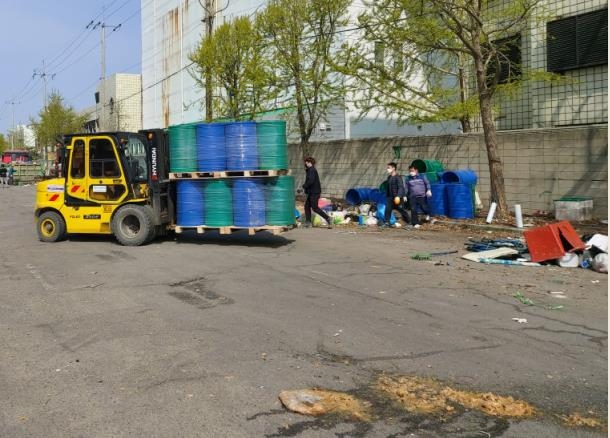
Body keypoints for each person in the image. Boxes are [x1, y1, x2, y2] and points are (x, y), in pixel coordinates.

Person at [302, 156, 333, 229]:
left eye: (306, 162)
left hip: (314, 192)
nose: (305, 163)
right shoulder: (310, 170)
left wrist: (304, 186)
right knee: (306, 206)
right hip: (312, 192)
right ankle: (308, 222)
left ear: (309, 162)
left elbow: (311, 181)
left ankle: (328, 218)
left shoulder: (311, 170)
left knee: (315, 208)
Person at [381, 162, 410, 228]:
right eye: (387, 168)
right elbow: (388, 188)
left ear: (393, 168)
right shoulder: (389, 177)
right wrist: (387, 196)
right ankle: (387, 222)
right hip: (390, 198)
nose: (387, 169)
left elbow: (401, 187)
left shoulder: (398, 177)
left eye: (389, 168)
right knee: (387, 209)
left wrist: (398, 196)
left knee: (401, 210)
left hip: (397, 198)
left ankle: (409, 222)